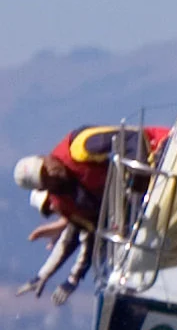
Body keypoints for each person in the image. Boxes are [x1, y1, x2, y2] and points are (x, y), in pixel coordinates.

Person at [16, 124, 169, 302]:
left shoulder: (79, 146)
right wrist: (70, 279)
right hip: (148, 206)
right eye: (45, 178)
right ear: (44, 188)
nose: (52, 173)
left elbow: (131, 138)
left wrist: (139, 185)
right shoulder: (67, 204)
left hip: (162, 153)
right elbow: (90, 234)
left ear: (45, 158)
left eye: (45, 167)